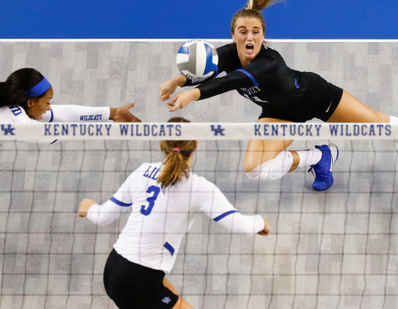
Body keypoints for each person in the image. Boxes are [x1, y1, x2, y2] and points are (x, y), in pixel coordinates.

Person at [159, 0, 398, 190]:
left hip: (317, 97)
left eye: (255, 32)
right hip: (280, 113)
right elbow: (207, 65)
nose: (249, 36)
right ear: (233, 36)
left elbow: (233, 81)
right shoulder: (229, 53)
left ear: (263, 36)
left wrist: (192, 95)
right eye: (242, 32)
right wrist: (176, 80)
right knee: (255, 170)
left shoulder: (267, 63)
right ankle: (320, 156)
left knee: (383, 127)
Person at [78, 117, 270, 309]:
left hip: (114, 268)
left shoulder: (142, 171)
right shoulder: (198, 188)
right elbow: (240, 225)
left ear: (162, 143)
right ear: (195, 144)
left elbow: (103, 217)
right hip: (140, 279)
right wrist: (261, 221)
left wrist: (90, 208)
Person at [0, 68, 140, 128]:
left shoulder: (15, 105)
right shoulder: (12, 116)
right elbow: (48, 136)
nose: (49, 108)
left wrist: (113, 113)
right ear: (30, 102)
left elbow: (64, 113)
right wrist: (108, 129)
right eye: (47, 102)